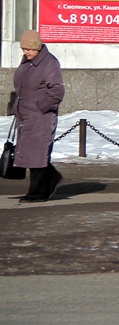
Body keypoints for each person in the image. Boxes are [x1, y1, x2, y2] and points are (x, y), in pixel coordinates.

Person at [12, 30, 65, 203]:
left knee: (37, 154)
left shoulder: (49, 63)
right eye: (24, 49)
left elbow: (57, 91)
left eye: (29, 49)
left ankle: (37, 193)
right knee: (29, 154)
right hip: (25, 116)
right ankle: (51, 177)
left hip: (40, 116)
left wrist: (41, 107)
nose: (25, 52)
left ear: (37, 47)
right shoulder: (27, 62)